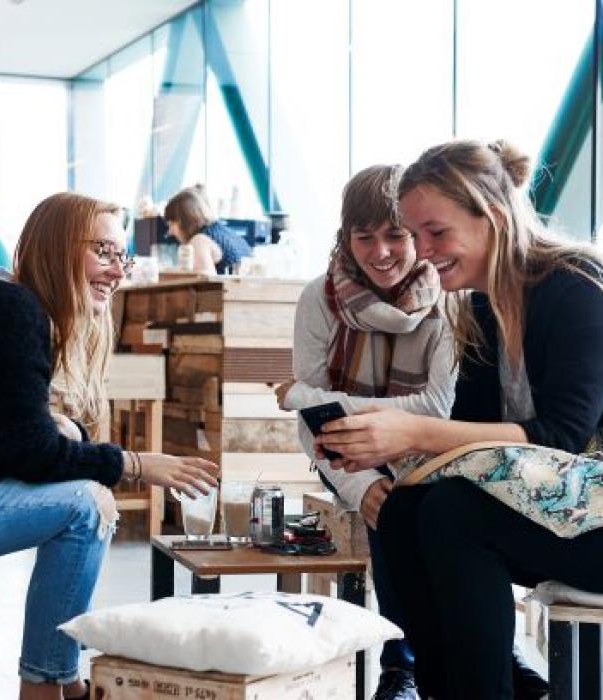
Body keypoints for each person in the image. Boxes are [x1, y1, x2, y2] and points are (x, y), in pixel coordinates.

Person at [315, 140, 603, 699]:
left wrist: (414, 433)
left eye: (435, 232)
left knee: (455, 515)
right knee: (402, 511)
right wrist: (384, 455)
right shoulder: (479, 309)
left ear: (492, 217)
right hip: (556, 512)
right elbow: (473, 448)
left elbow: (563, 437)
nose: (422, 250)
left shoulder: (576, 288)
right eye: (415, 234)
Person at [0, 192, 219, 700]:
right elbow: (33, 454)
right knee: (85, 505)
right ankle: (50, 685)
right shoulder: (9, 309)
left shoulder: (6, 303)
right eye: (103, 251)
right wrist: (136, 463)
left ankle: (58, 679)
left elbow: (12, 437)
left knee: (79, 477)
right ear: (55, 248)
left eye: (122, 255)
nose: (117, 271)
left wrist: (63, 432)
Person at [276, 165, 456, 700]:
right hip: (344, 454)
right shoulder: (320, 299)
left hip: (431, 448)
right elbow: (317, 426)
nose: (380, 252)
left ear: (418, 235)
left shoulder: (451, 298)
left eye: (396, 235)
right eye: (364, 237)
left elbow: (436, 409)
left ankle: (472, 648)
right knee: (391, 506)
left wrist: (309, 397)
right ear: (345, 239)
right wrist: (359, 483)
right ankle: (400, 667)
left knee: (432, 507)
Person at [164, 186, 252, 274]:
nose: (170, 231)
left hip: (232, 288)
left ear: (184, 221)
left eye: (171, 224)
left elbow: (204, 285)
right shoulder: (229, 234)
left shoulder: (199, 241)